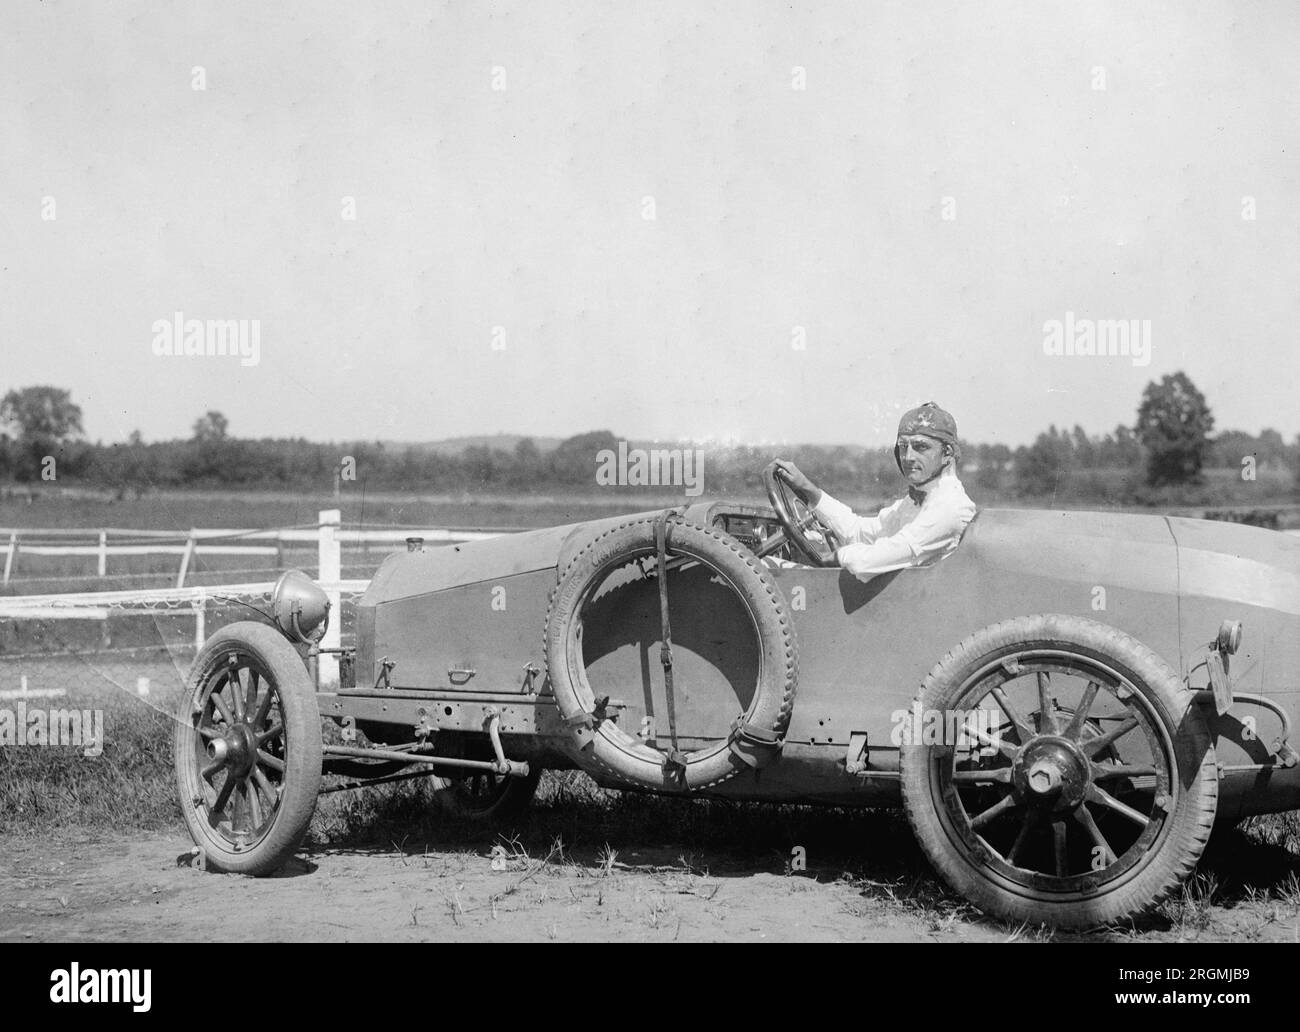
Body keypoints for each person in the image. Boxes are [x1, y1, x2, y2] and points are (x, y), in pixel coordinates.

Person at [772, 402, 977, 583]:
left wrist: (835, 556)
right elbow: (859, 532)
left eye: (921, 447)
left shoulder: (950, 506)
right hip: (897, 602)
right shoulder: (919, 498)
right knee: (766, 564)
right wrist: (808, 489)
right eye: (903, 447)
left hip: (908, 611)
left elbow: (879, 557)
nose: (908, 457)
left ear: (947, 453)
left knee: (762, 569)